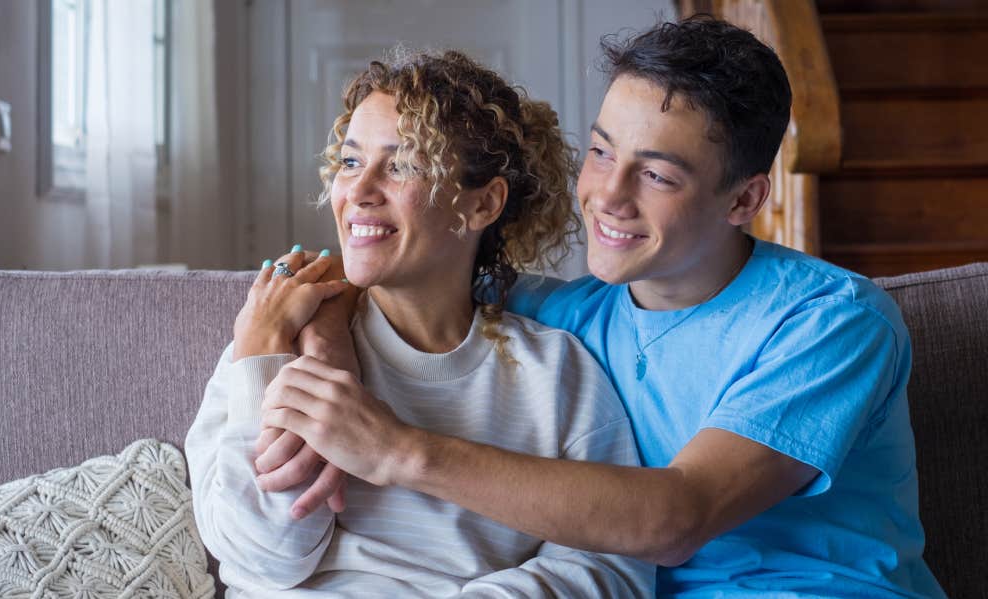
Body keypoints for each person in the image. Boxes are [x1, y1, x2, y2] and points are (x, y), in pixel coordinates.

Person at [257, 17, 947, 598]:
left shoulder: (832, 321)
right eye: (599, 152)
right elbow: (396, 270)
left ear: (744, 200)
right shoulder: (566, 319)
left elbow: (681, 515)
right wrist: (327, 345)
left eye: (655, 174)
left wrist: (398, 450)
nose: (609, 196)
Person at [184, 49, 654, 597]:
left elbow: (610, 564)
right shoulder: (274, 338)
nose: (358, 191)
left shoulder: (556, 373)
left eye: (402, 164)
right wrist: (263, 356)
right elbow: (263, 560)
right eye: (351, 161)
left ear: (482, 205)